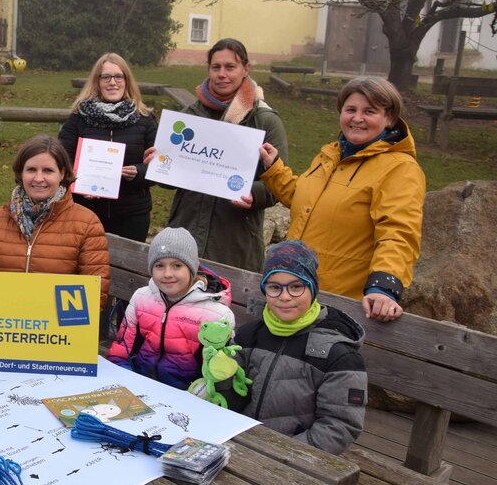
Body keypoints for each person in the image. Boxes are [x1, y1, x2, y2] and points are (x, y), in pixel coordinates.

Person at [258, 76, 425, 322]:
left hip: (338, 306)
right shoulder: (330, 155)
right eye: (351, 110)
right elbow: (305, 201)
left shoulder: (400, 169)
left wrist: (383, 287)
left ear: (389, 118)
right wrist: (274, 168)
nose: (357, 118)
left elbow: (398, 233)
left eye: (369, 111)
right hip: (295, 294)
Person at [147, 38, 288, 272]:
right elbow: (171, 181)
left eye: (230, 67)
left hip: (234, 241)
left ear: (246, 69)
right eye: (216, 67)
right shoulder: (189, 116)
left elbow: (278, 185)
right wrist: (160, 165)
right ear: (209, 70)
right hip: (186, 232)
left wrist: (253, 193)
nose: (222, 74)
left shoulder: (265, 121)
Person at [233, 240, 367, 455]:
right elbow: (231, 393)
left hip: (294, 456)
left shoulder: (339, 355)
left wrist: (286, 453)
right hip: (240, 442)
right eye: (275, 287)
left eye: (296, 287)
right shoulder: (249, 334)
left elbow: (340, 425)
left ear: (312, 289)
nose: (285, 296)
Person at [0, 134, 110, 308]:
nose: (38, 178)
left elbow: (95, 294)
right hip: (4, 318)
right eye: (31, 170)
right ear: (21, 173)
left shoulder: (87, 223)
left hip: (57, 322)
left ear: (62, 173)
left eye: (48, 170)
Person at [107, 227, 234, 389]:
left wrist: (201, 392)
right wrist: (125, 377)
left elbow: (217, 375)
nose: (167, 274)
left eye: (177, 265)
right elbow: (121, 350)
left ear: (192, 268)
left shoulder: (217, 314)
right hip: (138, 381)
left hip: (186, 392)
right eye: (159, 265)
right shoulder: (141, 298)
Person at [58, 53, 158, 241]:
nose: (113, 82)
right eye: (106, 77)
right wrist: (77, 183)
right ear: (97, 81)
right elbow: (62, 160)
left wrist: (138, 172)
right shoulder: (78, 117)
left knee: (128, 260)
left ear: (127, 81)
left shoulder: (145, 119)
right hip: (86, 212)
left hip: (132, 213)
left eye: (119, 76)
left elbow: (159, 166)